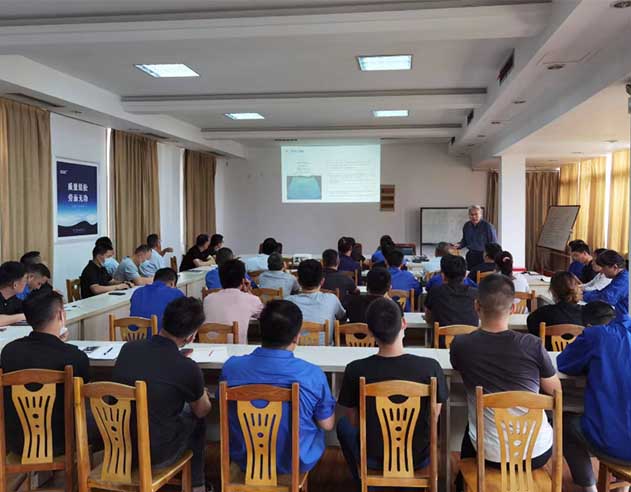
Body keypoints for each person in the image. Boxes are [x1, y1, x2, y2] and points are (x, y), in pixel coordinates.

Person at [450, 274, 561, 490]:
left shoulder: (461, 345)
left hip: (490, 454)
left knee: (472, 426)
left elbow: (458, 368)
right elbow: (555, 391)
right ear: (513, 309)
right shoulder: (532, 345)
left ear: (476, 306)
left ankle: (462, 484)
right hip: (536, 452)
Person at [337, 297, 448, 484]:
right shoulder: (431, 368)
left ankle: (365, 481)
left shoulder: (355, 369)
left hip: (372, 456)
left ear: (369, 331)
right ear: (404, 323)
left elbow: (354, 420)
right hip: (418, 458)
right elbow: (434, 416)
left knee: (343, 425)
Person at [219, 300, 335, 474]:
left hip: (245, 458)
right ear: (296, 336)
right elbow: (327, 424)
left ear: (260, 330)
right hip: (295, 461)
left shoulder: (231, 368)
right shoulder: (312, 374)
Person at [113, 297, 211, 492]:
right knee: (196, 419)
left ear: (163, 321)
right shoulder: (187, 367)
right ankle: (197, 484)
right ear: (191, 336)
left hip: (119, 445)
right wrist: (204, 393)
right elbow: (202, 410)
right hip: (156, 453)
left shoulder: (128, 349)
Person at [1, 290, 90, 456]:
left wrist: (58, 343)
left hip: (18, 443)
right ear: (61, 315)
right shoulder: (74, 356)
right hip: (60, 442)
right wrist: (61, 345)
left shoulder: (8, 351)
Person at [557, 301, 628, 492]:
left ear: (587, 326)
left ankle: (590, 487)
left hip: (617, 446)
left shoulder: (595, 335)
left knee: (564, 424)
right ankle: (622, 487)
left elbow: (564, 363)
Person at [203, 259, 263, 343]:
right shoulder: (252, 300)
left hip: (209, 349)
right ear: (243, 280)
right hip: (237, 349)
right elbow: (264, 315)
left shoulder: (208, 299)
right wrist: (249, 292)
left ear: (221, 279)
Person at [287, 259, 346, 345]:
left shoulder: (287, 302)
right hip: (326, 350)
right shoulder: (332, 299)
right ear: (322, 281)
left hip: (295, 349)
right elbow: (341, 316)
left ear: (298, 281)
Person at [425, 254, 479, 329]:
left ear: (443, 276)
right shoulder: (475, 294)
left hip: (442, 336)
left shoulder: (435, 292)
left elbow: (428, 318)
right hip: (471, 336)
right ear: (465, 276)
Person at [526, 271, 583, 340]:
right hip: (579, 347)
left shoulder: (541, 313)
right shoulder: (586, 314)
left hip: (547, 347)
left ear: (552, 291)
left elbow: (532, 330)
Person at [130, 268, 185, 333]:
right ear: (172, 284)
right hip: (160, 337)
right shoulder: (176, 293)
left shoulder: (137, 292)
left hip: (133, 337)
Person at [583, 249, 629, 317]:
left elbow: (607, 299)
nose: (602, 271)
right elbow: (603, 292)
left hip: (624, 318)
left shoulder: (624, 280)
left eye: (603, 268)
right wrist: (584, 293)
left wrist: (584, 296)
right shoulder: (619, 276)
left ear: (615, 267)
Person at [456, 205, 498, 270]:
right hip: (470, 255)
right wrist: (458, 245)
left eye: (476, 214)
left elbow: (493, 244)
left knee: (481, 275)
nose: (474, 217)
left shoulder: (488, 226)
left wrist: (490, 259)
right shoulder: (467, 225)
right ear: (469, 215)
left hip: (484, 256)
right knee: (470, 274)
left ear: (481, 214)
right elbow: (464, 241)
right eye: (471, 214)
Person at [0, 261, 27, 327]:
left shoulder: (16, 302)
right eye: (25, 280)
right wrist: (21, 316)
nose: (26, 284)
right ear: (15, 284)